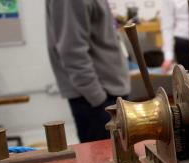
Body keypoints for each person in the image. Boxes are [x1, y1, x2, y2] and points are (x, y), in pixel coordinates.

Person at [46, 0, 130, 143]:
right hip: (97, 101)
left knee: (121, 158)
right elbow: (72, 52)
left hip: (107, 96)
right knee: (104, 161)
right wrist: (97, 98)